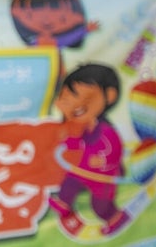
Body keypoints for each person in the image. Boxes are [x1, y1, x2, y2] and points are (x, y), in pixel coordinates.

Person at [48, 63, 127, 236]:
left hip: (103, 175)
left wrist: (105, 160)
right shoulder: (78, 126)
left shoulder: (106, 131)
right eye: (67, 96)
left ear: (109, 96)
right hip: (82, 169)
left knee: (100, 206)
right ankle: (63, 203)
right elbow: (73, 145)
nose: (73, 104)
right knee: (69, 183)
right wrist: (68, 141)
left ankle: (115, 218)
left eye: (79, 96)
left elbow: (116, 150)